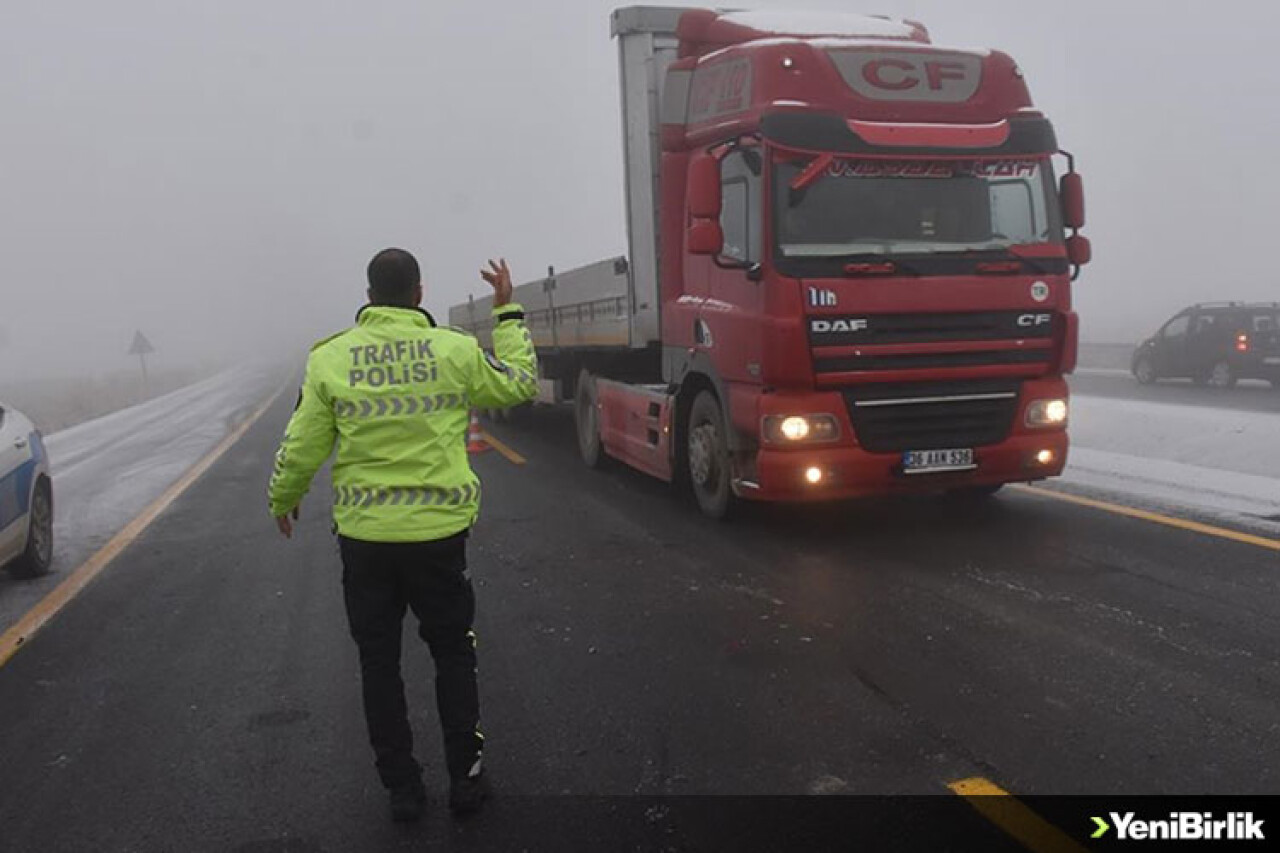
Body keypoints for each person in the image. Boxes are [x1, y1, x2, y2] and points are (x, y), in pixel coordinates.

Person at [267, 248, 538, 822]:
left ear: (368, 297)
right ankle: (466, 779)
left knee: (379, 663)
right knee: (451, 653)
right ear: (419, 293)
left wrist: (283, 498)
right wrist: (506, 312)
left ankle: (403, 790)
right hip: (439, 539)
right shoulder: (454, 351)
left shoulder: (331, 358)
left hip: (367, 543)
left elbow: (304, 444)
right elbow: (517, 387)